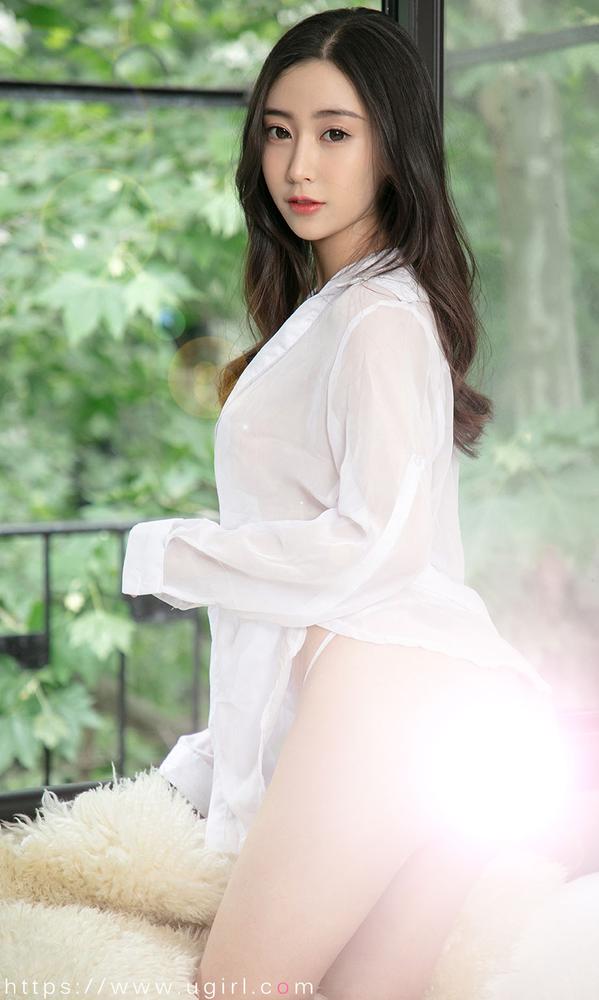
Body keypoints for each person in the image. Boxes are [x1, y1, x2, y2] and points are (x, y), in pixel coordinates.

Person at [122, 8, 579, 998]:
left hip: (392, 694)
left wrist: (169, 551)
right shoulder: (352, 305)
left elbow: (374, 543)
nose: (299, 164)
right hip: (426, 695)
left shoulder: (374, 314)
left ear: (390, 147)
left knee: (240, 986)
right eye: (278, 131)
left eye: (334, 133)